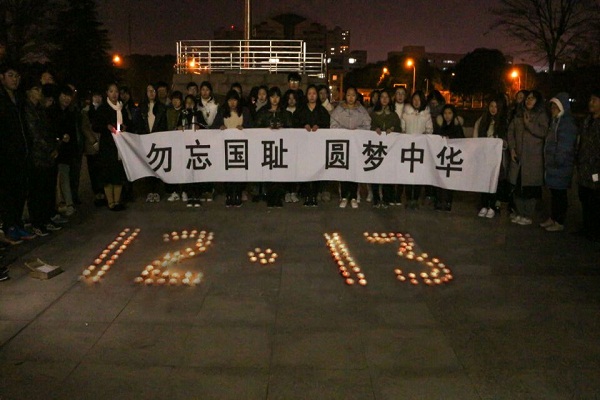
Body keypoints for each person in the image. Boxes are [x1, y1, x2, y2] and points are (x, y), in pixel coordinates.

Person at [0, 63, 36, 242]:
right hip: (6, 155)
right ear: (2, 77)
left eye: (17, 76)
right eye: (11, 75)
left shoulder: (19, 99)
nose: (14, 79)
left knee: (20, 190)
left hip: (22, 152)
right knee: (8, 191)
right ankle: (9, 226)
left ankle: (17, 223)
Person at [23, 78, 61, 236]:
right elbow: (35, 134)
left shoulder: (40, 109)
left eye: (40, 90)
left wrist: (54, 147)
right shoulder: (27, 109)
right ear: (28, 92)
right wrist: (49, 148)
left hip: (46, 156)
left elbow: (47, 130)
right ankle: (37, 222)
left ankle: (45, 218)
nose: (39, 93)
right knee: (37, 190)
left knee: (46, 189)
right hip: (36, 156)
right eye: (36, 90)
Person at [508, 90, 549, 226]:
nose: (528, 100)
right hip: (518, 158)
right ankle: (520, 212)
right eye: (528, 98)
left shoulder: (541, 115)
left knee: (530, 188)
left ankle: (528, 214)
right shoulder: (519, 114)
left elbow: (543, 132)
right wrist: (512, 149)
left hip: (533, 160)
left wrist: (529, 124)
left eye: (532, 98)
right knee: (517, 186)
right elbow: (511, 132)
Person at [540, 93, 578, 232]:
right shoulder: (556, 121)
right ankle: (553, 218)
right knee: (554, 194)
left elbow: (565, 145)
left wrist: (558, 160)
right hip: (553, 166)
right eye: (552, 106)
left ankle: (559, 221)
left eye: (556, 106)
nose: (553, 109)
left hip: (560, 166)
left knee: (560, 195)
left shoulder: (566, 123)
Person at [90, 82, 130, 211]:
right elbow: (95, 126)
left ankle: (117, 201)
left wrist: (125, 127)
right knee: (107, 174)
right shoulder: (103, 109)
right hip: (107, 145)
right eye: (111, 91)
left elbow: (128, 123)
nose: (114, 94)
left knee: (118, 173)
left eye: (116, 91)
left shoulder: (121, 108)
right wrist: (106, 126)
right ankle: (110, 201)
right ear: (107, 93)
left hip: (120, 145)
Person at [330, 86, 371, 209]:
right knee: (343, 170)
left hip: (356, 145)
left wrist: (357, 131)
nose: (351, 98)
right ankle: (344, 196)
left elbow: (367, 125)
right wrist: (345, 132)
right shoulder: (339, 109)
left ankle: (353, 196)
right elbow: (333, 125)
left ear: (356, 96)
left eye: (353, 95)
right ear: (345, 96)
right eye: (348, 95)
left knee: (354, 170)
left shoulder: (361, 110)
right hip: (343, 145)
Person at [254, 86, 293, 207]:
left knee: (279, 172)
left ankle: (278, 197)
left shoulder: (285, 113)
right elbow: (256, 128)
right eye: (272, 97)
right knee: (269, 171)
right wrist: (267, 129)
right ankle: (270, 197)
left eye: (277, 97)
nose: (275, 99)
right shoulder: (263, 112)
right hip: (267, 146)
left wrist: (282, 127)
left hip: (281, 147)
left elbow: (291, 128)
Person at [294, 84, 331, 206]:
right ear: (306, 95)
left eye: (314, 93)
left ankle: (314, 194)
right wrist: (303, 125)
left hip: (317, 147)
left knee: (316, 169)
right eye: (309, 93)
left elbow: (327, 124)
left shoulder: (322, 110)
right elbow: (294, 123)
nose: (312, 96)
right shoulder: (301, 110)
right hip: (304, 146)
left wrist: (318, 126)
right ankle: (306, 195)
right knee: (305, 170)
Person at [215, 90, 252, 207]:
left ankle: (238, 194)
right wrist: (220, 126)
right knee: (227, 172)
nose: (232, 103)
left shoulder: (245, 111)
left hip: (241, 147)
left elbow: (252, 126)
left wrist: (244, 127)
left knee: (239, 171)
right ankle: (229, 194)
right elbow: (213, 126)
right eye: (230, 100)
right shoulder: (222, 111)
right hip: (226, 147)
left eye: (234, 100)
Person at [473, 96, 508, 218]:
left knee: (495, 181)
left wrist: (501, 143)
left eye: (496, 107)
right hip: (484, 156)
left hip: (496, 158)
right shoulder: (482, 121)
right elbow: (476, 138)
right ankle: (484, 204)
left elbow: (506, 141)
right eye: (491, 106)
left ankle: (492, 205)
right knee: (484, 181)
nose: (493, 109)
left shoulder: (503, 122)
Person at [134, 83, 168, 203]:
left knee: (158, 166)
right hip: (145, 140)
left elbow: (164, 125)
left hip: (157, 140)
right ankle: (149, 191)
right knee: (147, 167)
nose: (151, 93)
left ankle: (157, 191)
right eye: (149, 90)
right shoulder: (141, 108)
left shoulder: (162, 107)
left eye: (153, 90)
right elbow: (138, 124)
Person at [47, 85, 78, 217]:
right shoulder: (51, 111)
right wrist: (59, 137)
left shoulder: (70, 113)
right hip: (54, 149)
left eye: (68, 96)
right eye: (64, 95)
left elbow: (72, 132)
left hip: (66, 151)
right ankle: (57, 205)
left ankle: (68, 204)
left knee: (64, 176)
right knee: (53, 179)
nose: (66, 99)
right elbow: (49, 130)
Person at [575, 89, 600, 242]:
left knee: (595, 198)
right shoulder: (587, 121)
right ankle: (586, 227)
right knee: (584, 197)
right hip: (584, 167)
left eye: (594, 100)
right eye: (590, 100)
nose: (591, 103)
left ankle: (595, 230)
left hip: (596, 169)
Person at [370, 89, 401, 208]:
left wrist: (392, 129)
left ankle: (387, 198)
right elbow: (369, 126)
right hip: (376, 148)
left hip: (389, 149)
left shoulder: (394, 115)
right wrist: (375, 129)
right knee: (375, 172)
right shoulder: (373, 114)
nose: (384, 99)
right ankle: (376, 198)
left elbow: (399, 129)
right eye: (382, 97)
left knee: (388, 173)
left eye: (386, 97)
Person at [402, 90, 433, 209]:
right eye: (414, 99)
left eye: (419, 99)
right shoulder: (406, 114)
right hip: (408, 148)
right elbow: (402, 130)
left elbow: (429, 130)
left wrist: (425, 135)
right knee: (408, 175)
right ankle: (408, 198)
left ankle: (415, 199)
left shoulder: (426, 115)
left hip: (421, 149)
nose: (416, 102)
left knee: (419, 176)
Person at [434, 104, 465, 211]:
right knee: (439, 178)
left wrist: (450, 139)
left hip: (452, 157)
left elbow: (462, 140)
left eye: (450, 113)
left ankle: (448, 201)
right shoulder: (439, 125)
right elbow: (434, 138)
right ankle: (438, 201)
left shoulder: (457, 126)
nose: (447, 116)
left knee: (449, 179)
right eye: (445, 113)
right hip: (440, 156)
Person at [177, 95, 205, 207]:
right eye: (187, 102)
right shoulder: (182, 114)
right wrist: (179, 127)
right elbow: (177, 126)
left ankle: (197, 195)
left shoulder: (198, 114)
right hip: (185, 146)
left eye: (191, 102)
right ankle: (189, 195)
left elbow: (205, 126)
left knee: (197, 171)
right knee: (187, 170)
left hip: (197, 146)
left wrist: (199, 127)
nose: (189, 104)